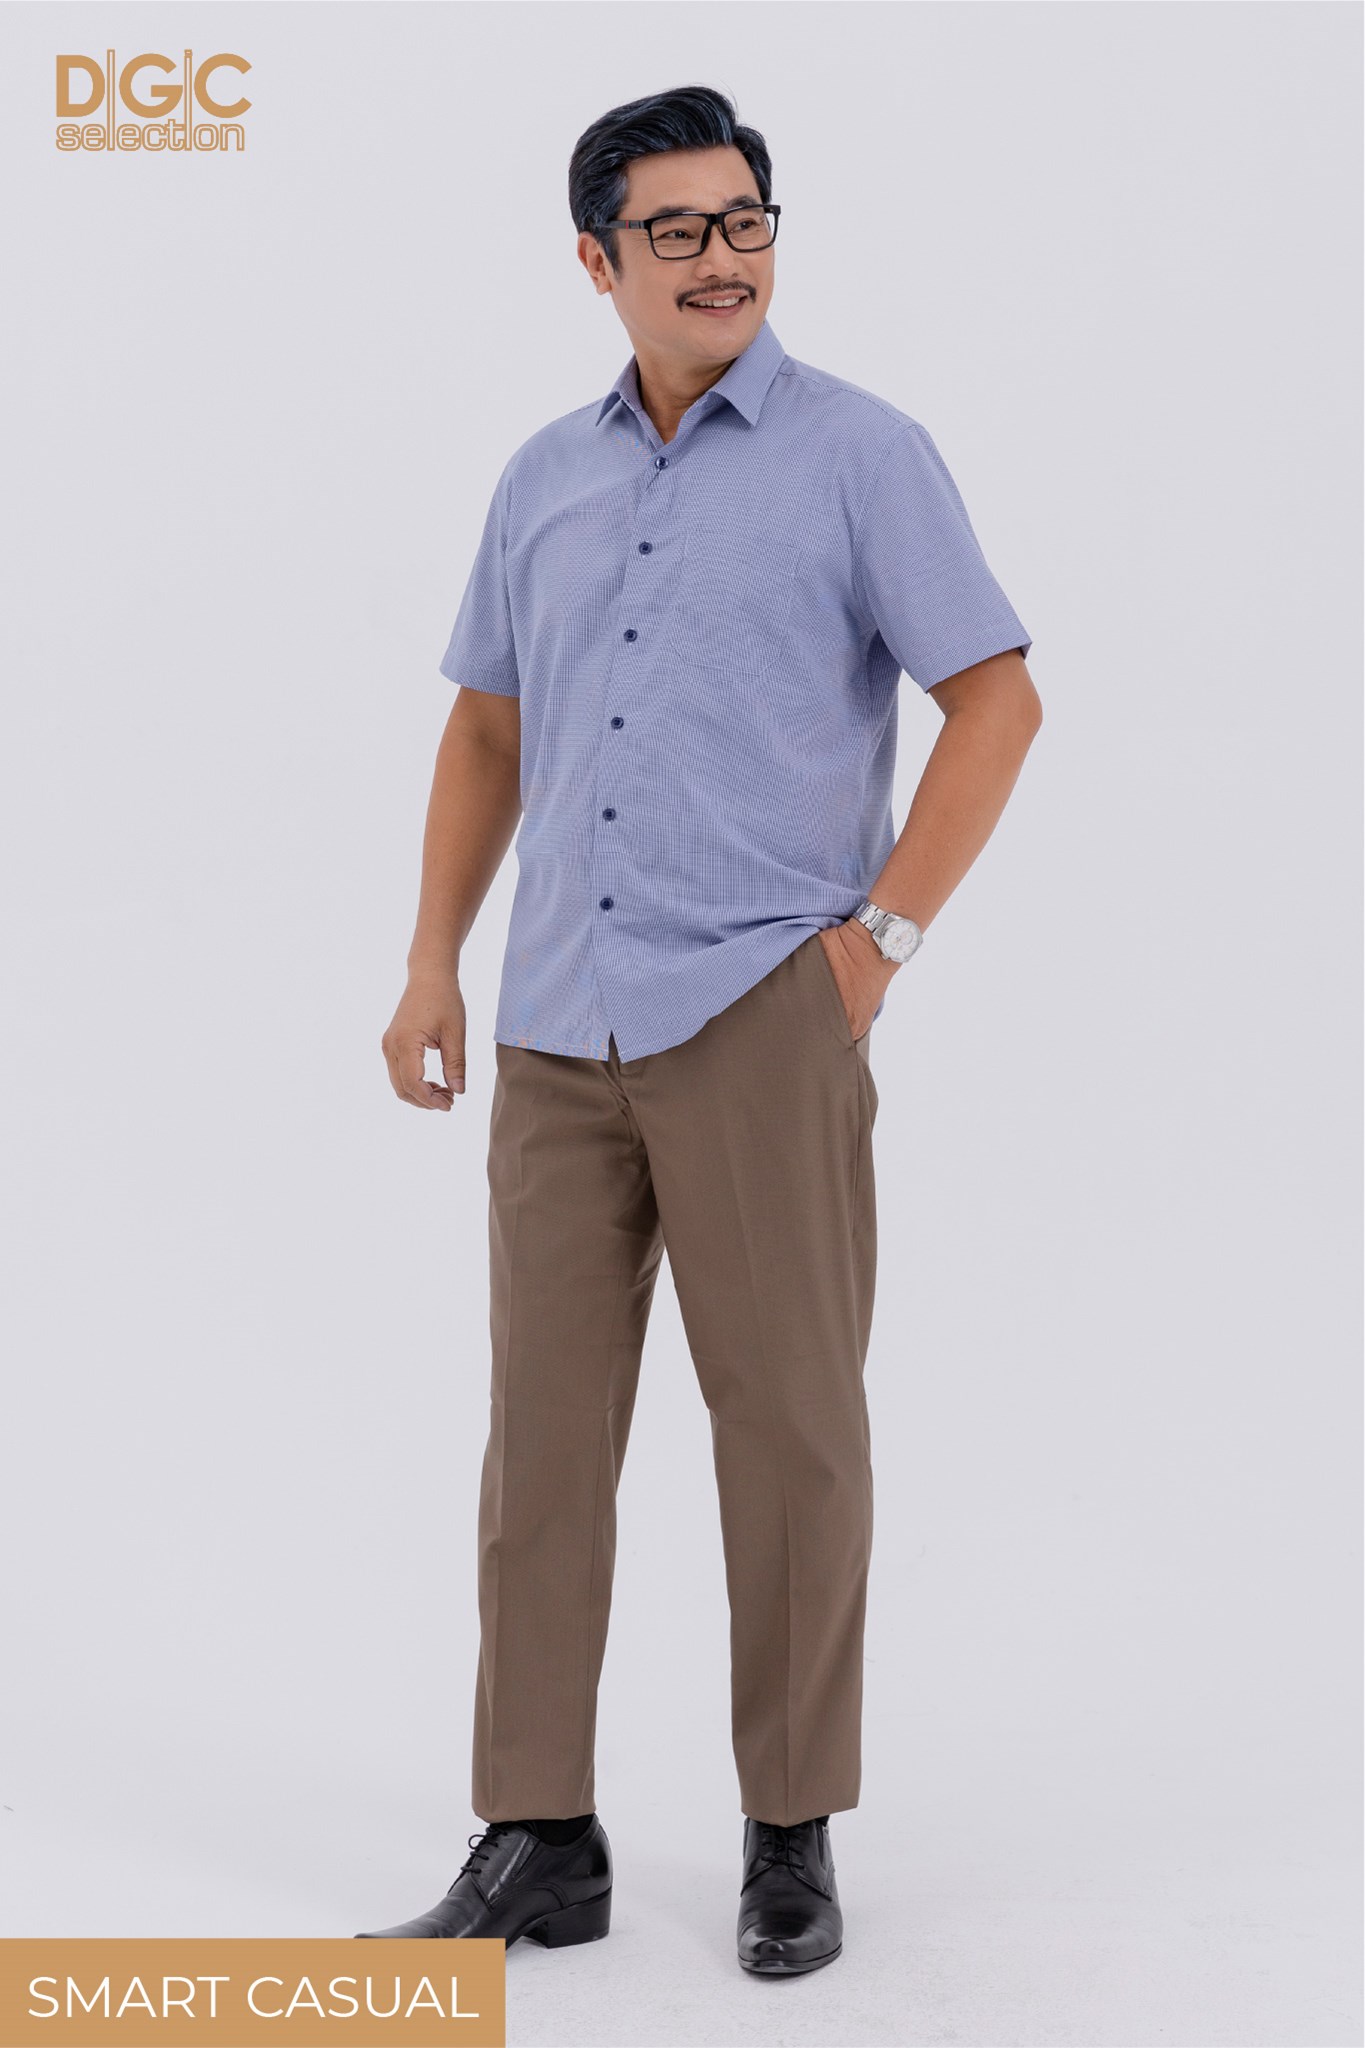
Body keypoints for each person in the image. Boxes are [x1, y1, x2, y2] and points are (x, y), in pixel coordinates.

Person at [360, 81, 1040, 1976]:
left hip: (760, 1013)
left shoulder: (862, 455)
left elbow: (995, 700)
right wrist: (432, 959)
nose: (722, 256)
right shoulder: (540, 478)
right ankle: (537, 1833)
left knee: (792, 1432)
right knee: (539, 1447)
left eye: (745, 221)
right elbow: (486, 727)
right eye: (676, 229)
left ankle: (789, 1834)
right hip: (555, 1020)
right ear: (597, 262)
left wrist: (874, 944)